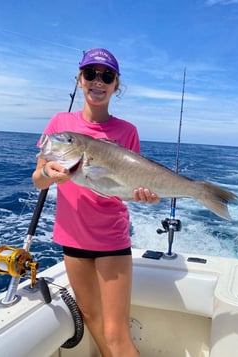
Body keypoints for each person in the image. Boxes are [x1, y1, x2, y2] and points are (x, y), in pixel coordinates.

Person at [32, 48, 159, 357]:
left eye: (107, 76)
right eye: (90, 74)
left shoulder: (127, 131)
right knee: (92, 319)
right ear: (79, 80)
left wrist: (143, 195)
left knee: (116, 334)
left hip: (111, 240)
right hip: (72, 239)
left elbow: (129, 185)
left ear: (116, 85)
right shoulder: (60, 123)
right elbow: (38, 178)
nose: (97, 81)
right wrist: (48, 172)